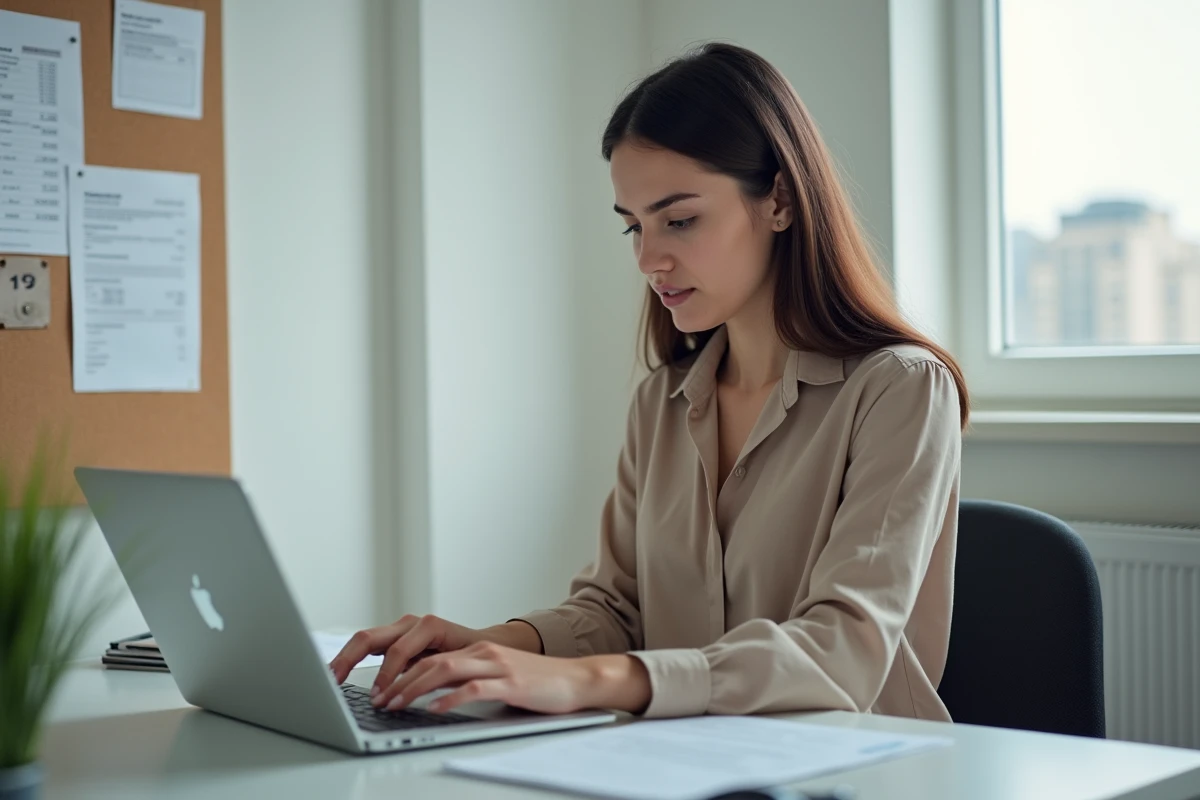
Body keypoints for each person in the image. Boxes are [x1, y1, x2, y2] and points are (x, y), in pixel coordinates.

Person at [329, 42, 969, 721]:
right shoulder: (661, 403)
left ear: (780, 200)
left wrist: (590, 680)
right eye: (633, 227)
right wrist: (489, 648)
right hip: (688, 758)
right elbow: (617, 608)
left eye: (679, 220)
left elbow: (844, 652)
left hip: (863, 763)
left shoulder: (901, 389)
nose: (648, 258)